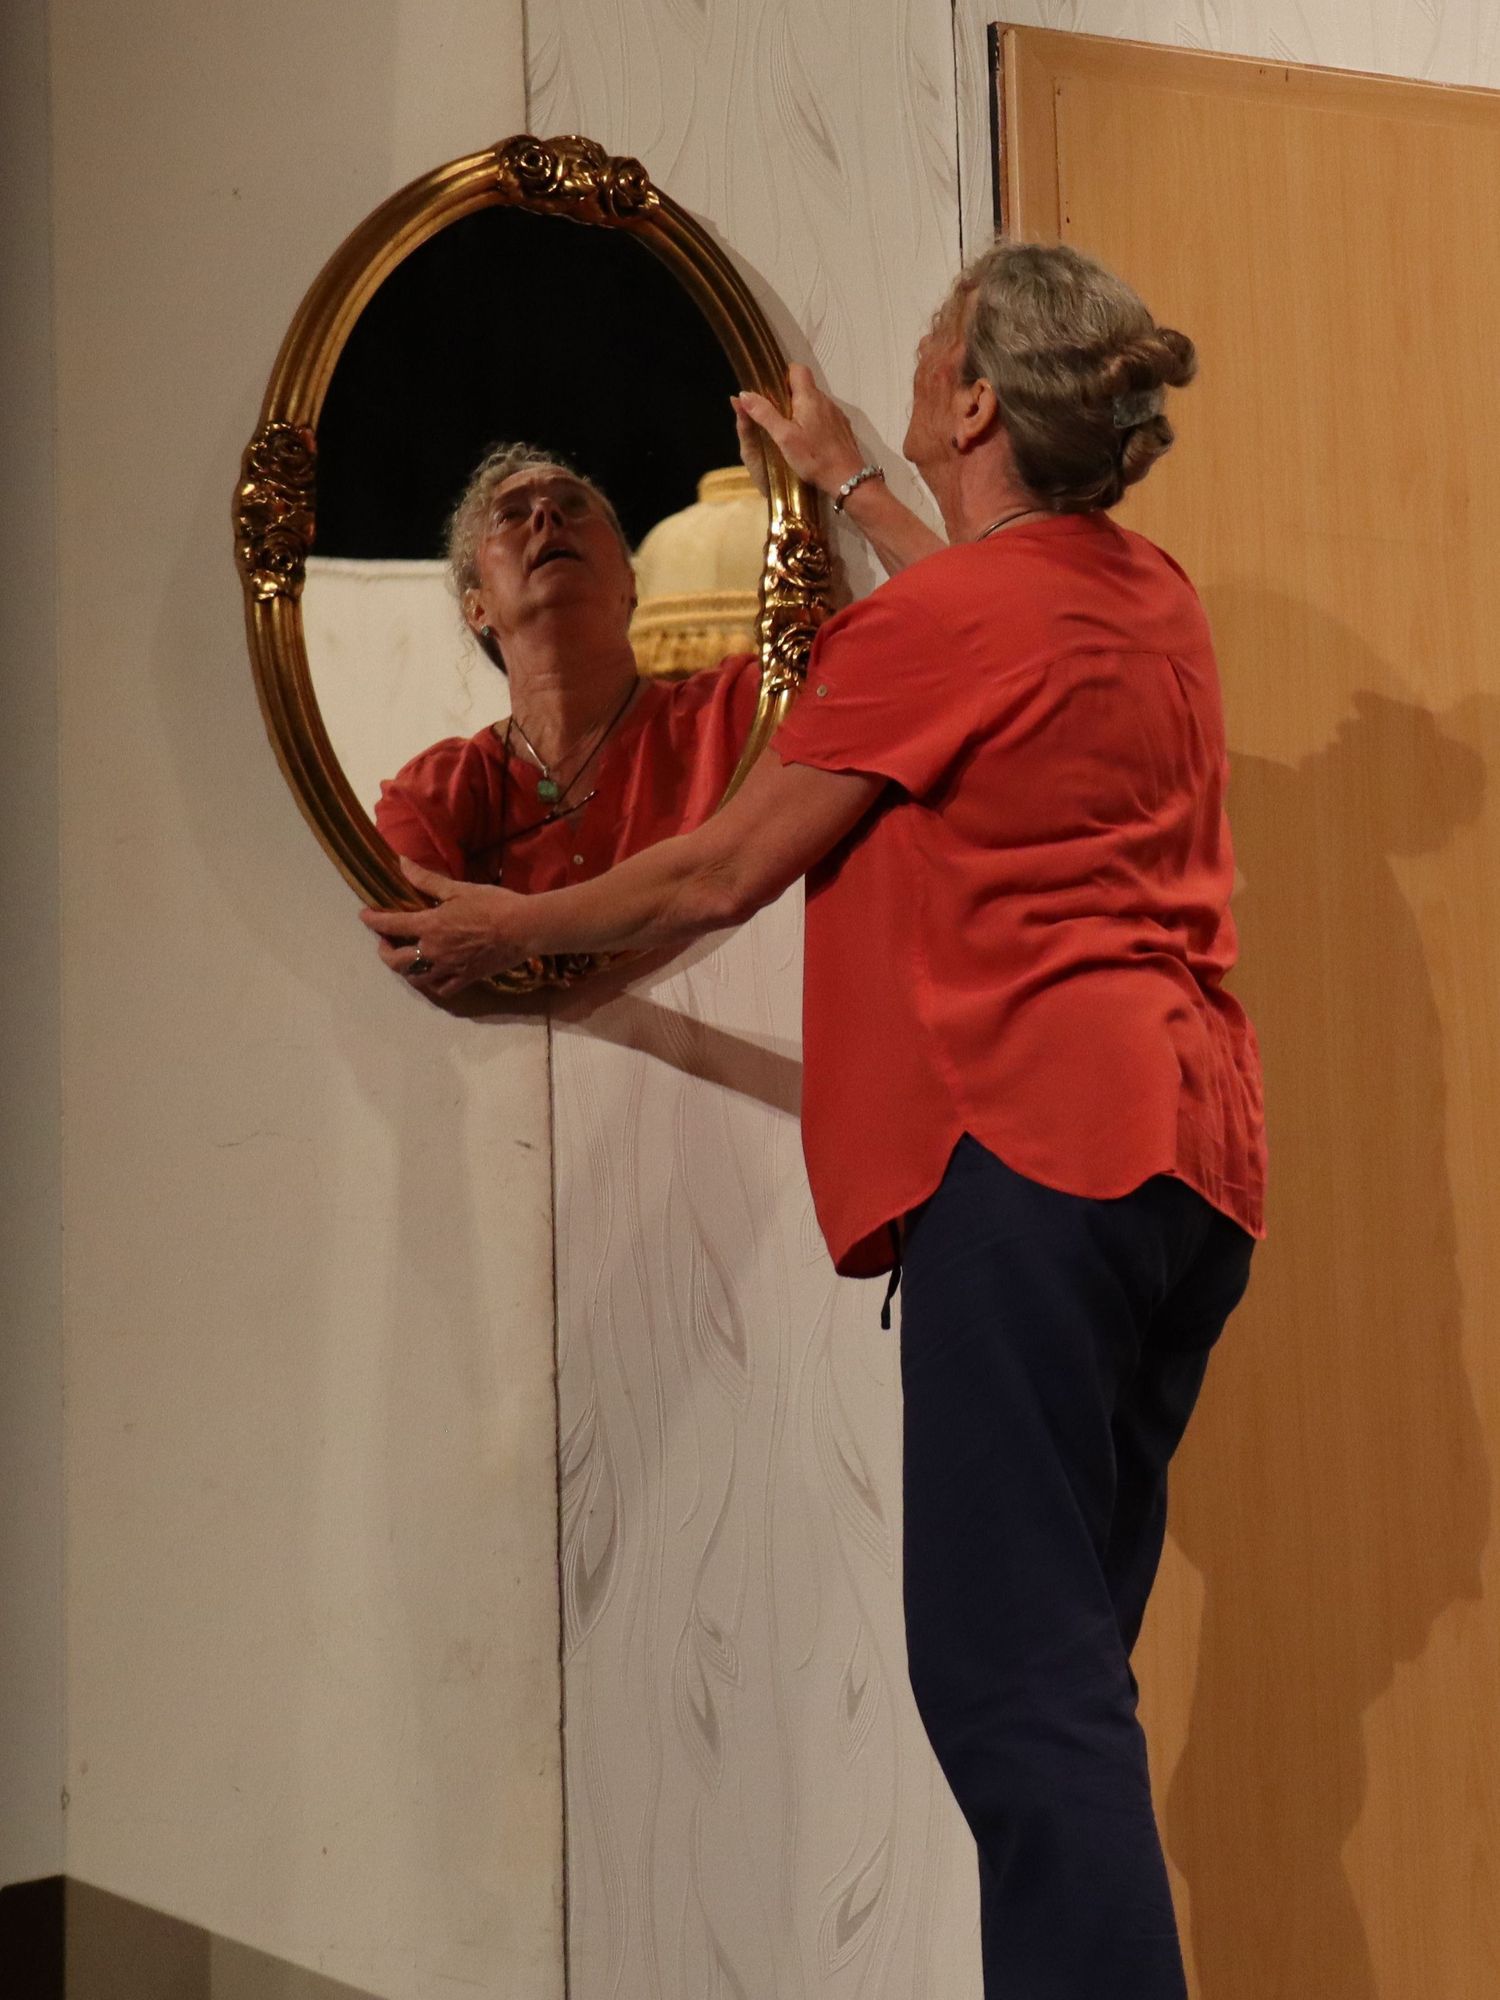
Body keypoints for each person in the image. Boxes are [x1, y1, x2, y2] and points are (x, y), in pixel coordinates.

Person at [362, 241, 1266, 2000]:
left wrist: (502, 928)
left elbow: (713, 873)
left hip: (1038, 1157)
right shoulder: (1140, 592)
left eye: (932, 345)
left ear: (977, 400)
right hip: (1189, 1172)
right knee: (1064, 1683)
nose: (913, 361)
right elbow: (982, 626)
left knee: (1010, 1692)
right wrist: (854, 481)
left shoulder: (932, 628)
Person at [374, 442, 760, 894]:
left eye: (574, 505)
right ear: (477, 609)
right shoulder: (433, 795)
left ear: (631, 584)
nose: (547, 514)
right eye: (510, 515)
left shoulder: (737, 710)